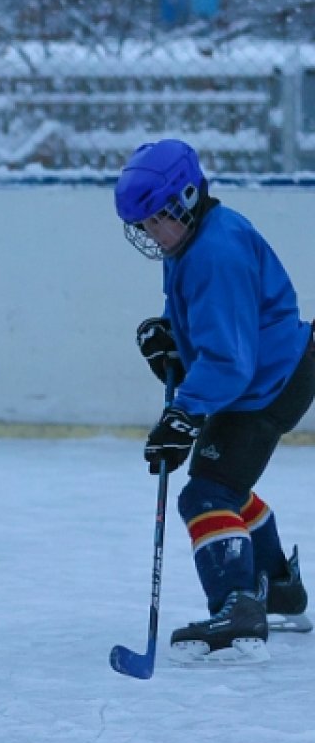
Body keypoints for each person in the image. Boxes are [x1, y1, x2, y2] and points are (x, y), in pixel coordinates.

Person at [116, 138, 314, 665]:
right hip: (269, 368)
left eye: (159, 218)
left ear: (186, 196)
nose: (153, 232)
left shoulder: (214, 252)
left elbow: (229, 360)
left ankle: (237, 608)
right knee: (222, 484)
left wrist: (185, 413)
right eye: (144, 225)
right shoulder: (192, 238)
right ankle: (279, 585)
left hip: (267, 379)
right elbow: (212, 322)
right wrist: (171, 337)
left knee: (206, 495)